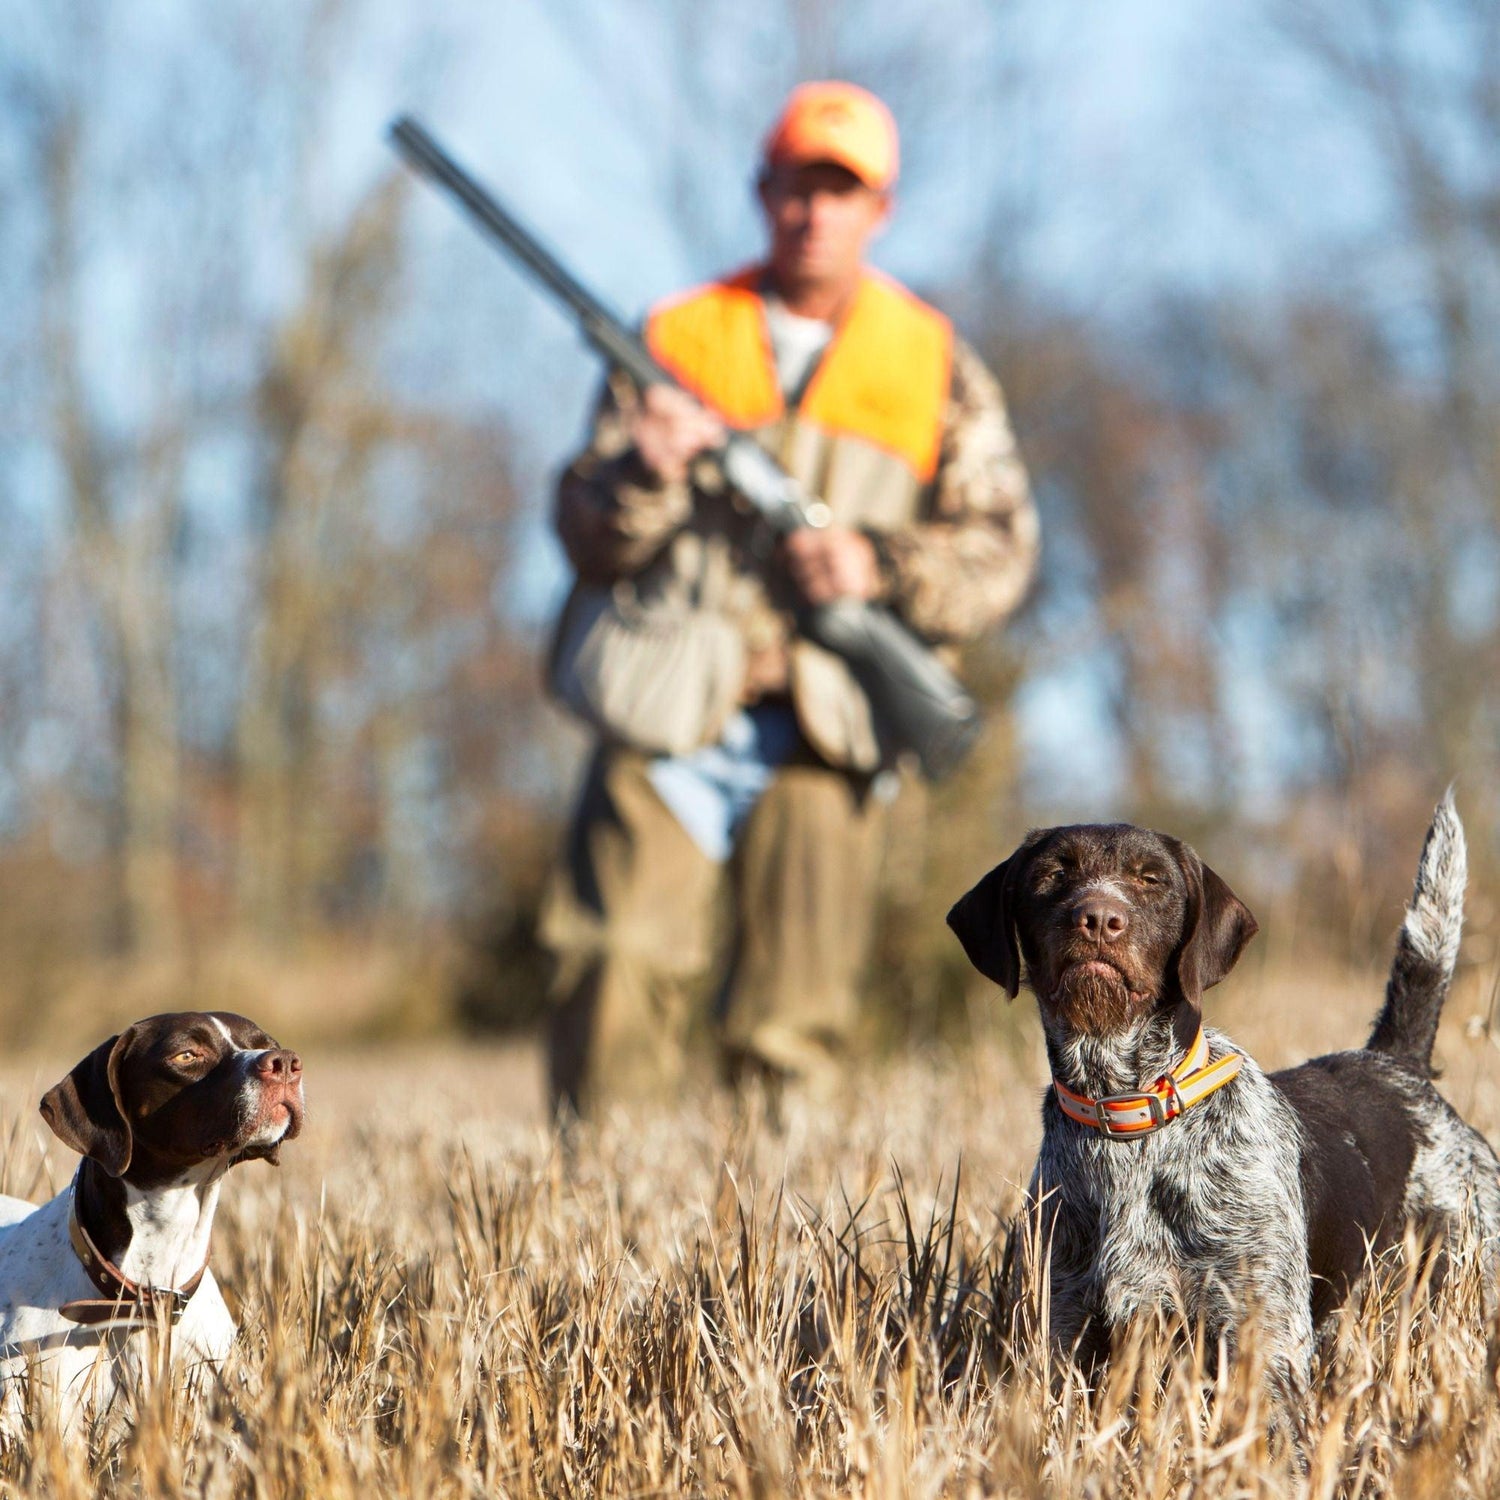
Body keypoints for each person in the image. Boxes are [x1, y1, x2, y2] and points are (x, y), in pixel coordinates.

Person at [540, 81, 1039, 1116]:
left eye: (840, 190)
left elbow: (1002, 551)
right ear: (760, 192)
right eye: (795, 186)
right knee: (613, 969)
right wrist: (642, 470)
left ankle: (762, 1250)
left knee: (792, 1025)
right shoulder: (675, 335)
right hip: (669, 701)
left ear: (879, 210)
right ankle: (598, 1209)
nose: (813, 211)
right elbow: (584, 536)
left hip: (829, 719)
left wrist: (879, 566)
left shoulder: (933, 361)